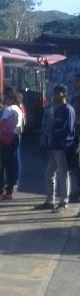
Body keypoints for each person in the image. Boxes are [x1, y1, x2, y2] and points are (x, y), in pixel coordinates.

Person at [34, 85, 76, 213]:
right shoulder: (56, 109)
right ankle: (50, 200)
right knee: (48, 173)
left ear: (63, 94)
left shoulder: (67, 110)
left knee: (63, 174)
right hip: (54, 146)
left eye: (55, 94)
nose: (53, 96)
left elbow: (67, 130)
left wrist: (56, 134)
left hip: (62, 146)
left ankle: (64, 201)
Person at [0, 87, 24, 200]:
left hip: (5, 138)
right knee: (12, 165)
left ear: (9, 97)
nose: (3, 99)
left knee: (0, 165)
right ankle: (9, 191)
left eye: (5, 97)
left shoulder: (7, 110)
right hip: (15, 138)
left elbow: (0, 124)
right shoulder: (19, 109)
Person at [68, 74, 80, 203]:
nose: (74, 84)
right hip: (74, 135)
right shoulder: (74, 98)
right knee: (74, 165)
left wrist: (75, 121)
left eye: (76, 81)